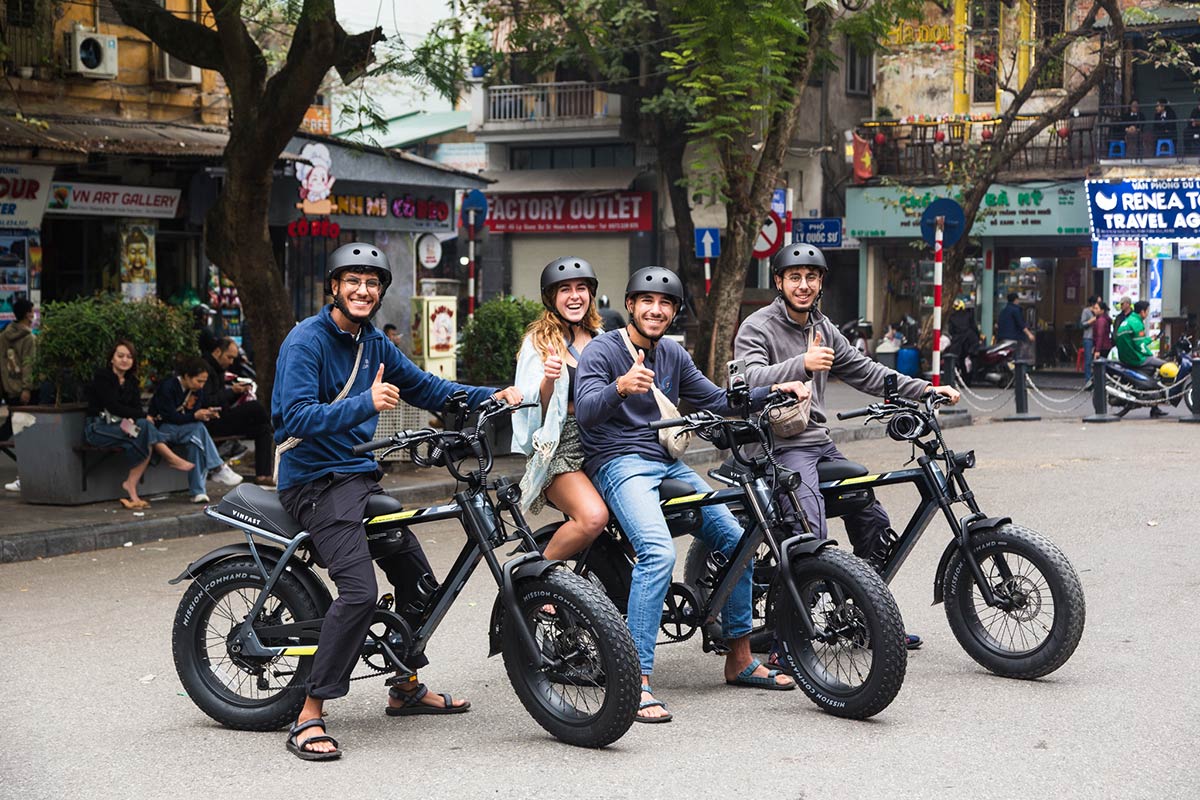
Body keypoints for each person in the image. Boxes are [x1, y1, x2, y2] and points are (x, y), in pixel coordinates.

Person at [273, 241, 521, 761]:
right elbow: (294, 417)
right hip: (313, 481)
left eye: (372, 283)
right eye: (353, 281)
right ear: (335, 287)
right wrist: (364, 403)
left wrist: (492, 395)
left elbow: (427, 388)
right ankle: (309, 713)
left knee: (417, 579)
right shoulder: (306, 341)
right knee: (359, 592)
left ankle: (404, 686)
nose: (363, 290)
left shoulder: (374, 344)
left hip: (358, 479)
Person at [576, 266, 811, 723]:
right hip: (618, 462)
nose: (656, 310)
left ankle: (740, 659)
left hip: (666, 462)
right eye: (647, 301)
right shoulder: (603, 350)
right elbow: (585, 412)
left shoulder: (672, 354)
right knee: (657, 553)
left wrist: (771, 391)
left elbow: (719, 400)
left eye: (665, 304)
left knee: (739, 541)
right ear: (630, 305)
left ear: (674, 312)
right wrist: (620, 387)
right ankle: (636, 681)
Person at [734, 244, 961, 654]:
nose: (803, 285)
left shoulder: (823, 327)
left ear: (821, 282)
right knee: (809, 531)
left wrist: (925, 389)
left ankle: (862, 616)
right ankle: (789, 640)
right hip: (775, 445)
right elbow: (747, 381)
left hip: (817, 442)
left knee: (873, 518)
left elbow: (866, 371)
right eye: (794, 277)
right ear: (779, 282)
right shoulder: (757, 326)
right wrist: (801, 364)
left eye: (812, 277)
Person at [511, 257, 608, 560]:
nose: (574, 296)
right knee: (593, 517)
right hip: (561, 446)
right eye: (565, 289)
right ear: (551, 297)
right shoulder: (538, 342)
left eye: (581, 288)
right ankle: (537, 576)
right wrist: (548, 381)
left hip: (605, 441)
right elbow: (527, 411)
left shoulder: (601, 338)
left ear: (591, 294)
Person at [84, 339, 194, 509]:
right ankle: (170, 458)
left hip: (123, 426)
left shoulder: (132, 382)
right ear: (112, 358)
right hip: (99, 427)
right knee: (146, 429)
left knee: (145, 433)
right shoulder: (103, 377)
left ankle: (131, 487)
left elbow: (134, 408)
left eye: (129, 357)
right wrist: (140, 416)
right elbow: (112, 406)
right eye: (120, 356)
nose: (124, 360)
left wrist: (134, 419)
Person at [149, 357, 244, 503]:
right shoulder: (168, 387)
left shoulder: (197, 391)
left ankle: (198, 492)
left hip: (185, 430)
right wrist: (195, 416)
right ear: (187, 376)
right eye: (198, 381)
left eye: (204, 382)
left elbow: (193, 413)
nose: (201, 385)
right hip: (163, 430)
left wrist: (206, 413)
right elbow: (169, 417)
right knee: (198, 428)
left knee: (195, 442)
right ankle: (217, 467)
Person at [202, 337, 275, 485]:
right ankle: (276, 425)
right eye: (229, 357)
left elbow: (221, 400)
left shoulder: (219, 370)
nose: (230, 362)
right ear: (217, 352)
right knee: (255, 407)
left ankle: (263, 475)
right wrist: (232, 392)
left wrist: (236, 393)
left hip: (222, 415)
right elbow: (207, 401)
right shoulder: (206, 370)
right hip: (210, 420)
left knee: (263, 429)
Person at [2, 298, 37, 491]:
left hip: (9, 387)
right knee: (26, 431)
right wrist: (27, 388)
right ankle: (25, 474)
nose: (34, 314)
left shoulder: (4, 335)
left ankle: (24, 473)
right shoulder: (29, 338)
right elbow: (29, 364)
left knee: (12, 425)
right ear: (27, 314)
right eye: (32, 311)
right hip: (24, 391)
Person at [1115, 300, 1168, 418]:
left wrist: (1150, 339)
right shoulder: (1137, 323)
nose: (1148, 313)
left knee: (1153, 369)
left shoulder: (1128, 320)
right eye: (1147, 311)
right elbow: (1141, 347)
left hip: (1126, 357)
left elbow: (1137, 341)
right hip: (1135, 358)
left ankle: (1155, 407)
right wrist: (1150, 355)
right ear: (1143, 312)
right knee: (1164, 365)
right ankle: (1158, 394)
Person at [945, 297, 981, 376]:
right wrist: (978, 337)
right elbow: (974, 327)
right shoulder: (968, 315)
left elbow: (951, 330)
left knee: (958, 360)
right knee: (973, 359)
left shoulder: (952, 317)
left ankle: (959, 376)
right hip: (970, 342)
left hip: (958, 343)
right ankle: (973, 376)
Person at [1080, 295, 1097, 382]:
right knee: (1088, 359)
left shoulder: (1098, 311)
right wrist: (1092, 320)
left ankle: (1095, 378)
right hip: (1088, 337)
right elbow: (1082, 324)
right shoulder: (1086, 311)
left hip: (1097, 338)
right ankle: (1088, 379)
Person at [1092, 300, 1113, 364]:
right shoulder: (1104, 319)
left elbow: (1100, 335)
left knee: (1100, 366)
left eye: (1096, 308)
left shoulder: (1101, 320)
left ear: (1102, 310)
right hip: (1105, 346)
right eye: (1094, 308)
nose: (1094, 310)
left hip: (1102, 347)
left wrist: (1097, 350)